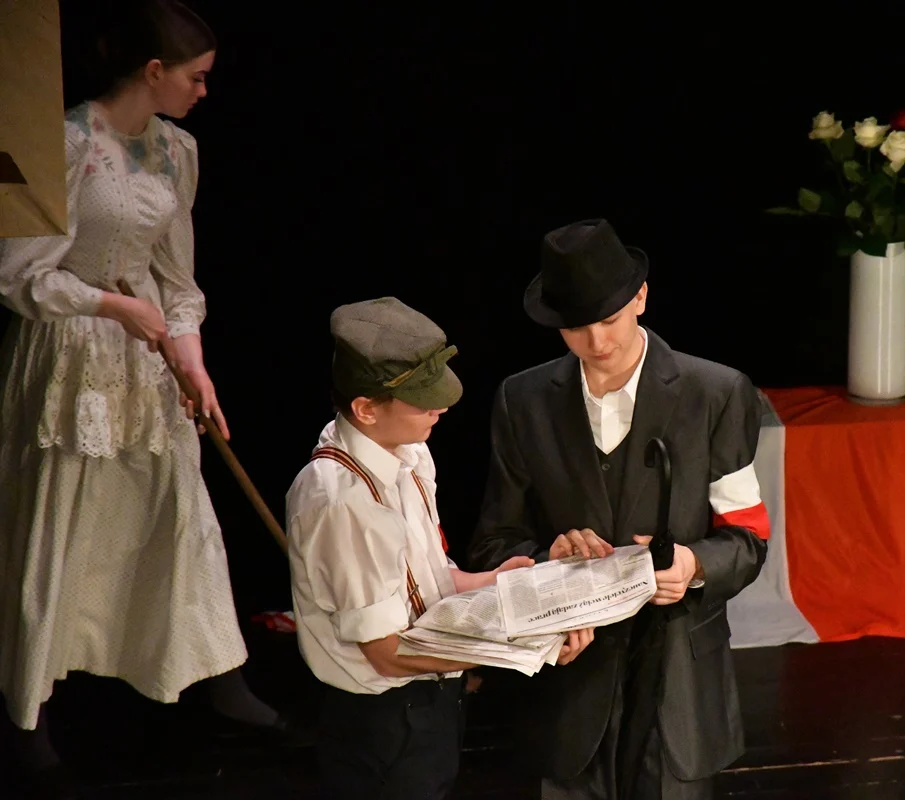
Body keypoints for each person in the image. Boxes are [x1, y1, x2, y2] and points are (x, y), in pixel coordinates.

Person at [0, 1, 285, 793]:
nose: (204, 91)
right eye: (196, 76)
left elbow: (176, 281)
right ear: (153, 72)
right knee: (61, 523)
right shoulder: (63, 142)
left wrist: (194, 363)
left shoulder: (176, 150)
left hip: (147, 361)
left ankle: (215, 674)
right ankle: (28, 713)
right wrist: (115, 308)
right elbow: (19, 277)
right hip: (70, 355)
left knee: (179, 512)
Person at [468, 218, 772, 799]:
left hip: (676, 679)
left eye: (608, 319)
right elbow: (494, 542)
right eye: (576, 327)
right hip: (569, 685)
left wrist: (694, 565)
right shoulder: (523, 401)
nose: (596, 341)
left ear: (640, 297)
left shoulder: (716, 394)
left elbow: (747, 539)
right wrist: (547, 558)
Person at [285, 297, 547, 799]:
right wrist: (510, 648)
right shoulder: (344, 502)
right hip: (384, 723)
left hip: (430, 703)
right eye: (422, 401)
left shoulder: (408, 452)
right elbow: (386, 652)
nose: (440, 409)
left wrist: (495, 583)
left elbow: (424, 578)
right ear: (365, 409)